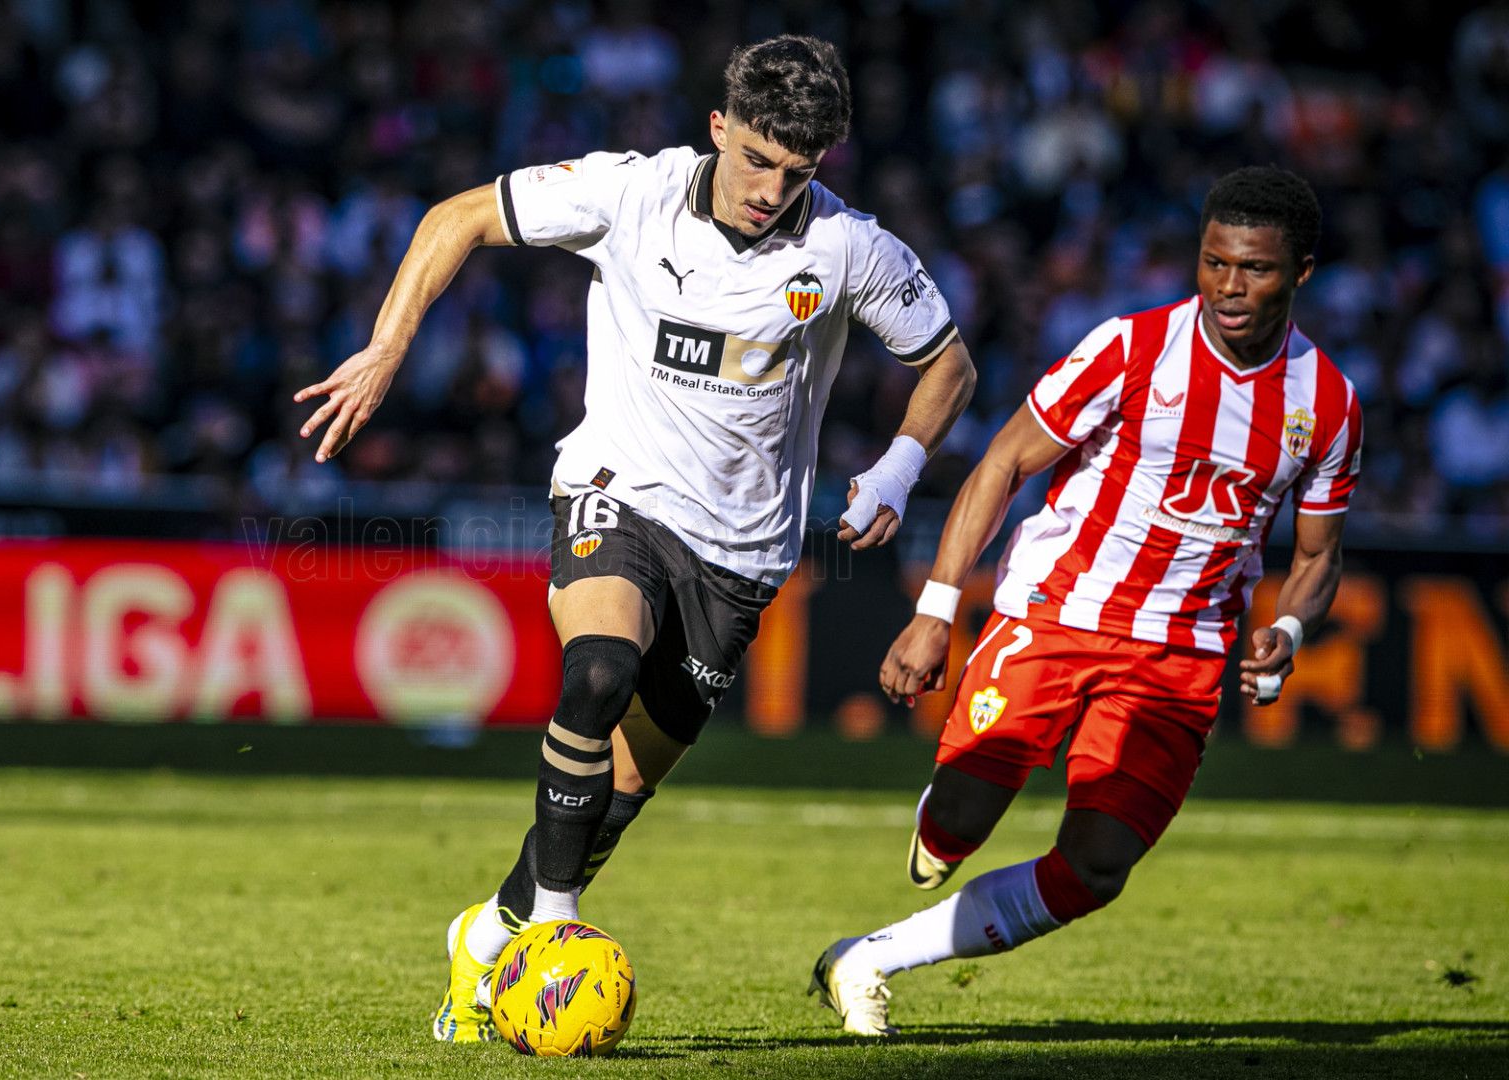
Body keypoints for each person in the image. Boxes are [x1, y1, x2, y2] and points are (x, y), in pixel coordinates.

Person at [293, 35, 977, 1042]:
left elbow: (949, 366)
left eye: (797, 173)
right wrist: (387, 350)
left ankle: (492, 933)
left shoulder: (845, 249)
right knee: (599, 668)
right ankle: (553, 934)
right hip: (616, 490)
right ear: (719, 127)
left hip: (740, 557)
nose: (769, 190)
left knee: (610, 802)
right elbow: (458, 216)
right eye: (756, 160)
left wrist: (901, 463)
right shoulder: (628, 194)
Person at [809, 166, 1362, 1035]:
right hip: (1056, 614)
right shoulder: (1131, 350)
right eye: (1213, 262)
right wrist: (936, 608)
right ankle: (943, 821)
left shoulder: (1327, 404)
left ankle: (868, 956)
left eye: (1253, 269)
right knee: (958, 819)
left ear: (1302, 273)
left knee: (1099, 864)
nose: (1227, 286)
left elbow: (1320, 554)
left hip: (1183, 655)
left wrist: (1289, 624)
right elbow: (1003, 461)